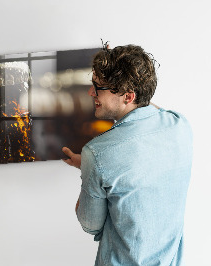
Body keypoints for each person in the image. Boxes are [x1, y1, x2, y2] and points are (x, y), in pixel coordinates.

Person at [62, 44, 192, 265]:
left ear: (128, 96)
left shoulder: (97, 154)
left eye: (98, 86)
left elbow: (90, 225)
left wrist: (90, 169)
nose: (90, 92)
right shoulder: (180, 125)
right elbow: (147, 108)